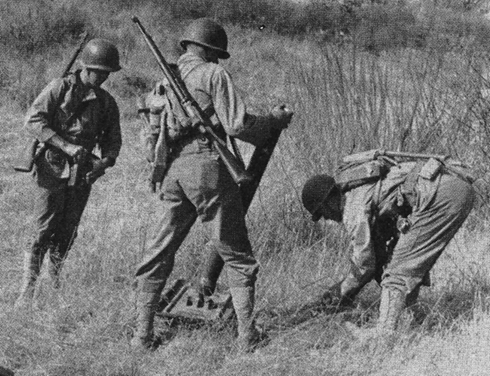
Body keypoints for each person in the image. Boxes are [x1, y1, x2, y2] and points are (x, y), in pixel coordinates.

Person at [132, 18, 293, 351]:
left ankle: (142, 335)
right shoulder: (213, 74)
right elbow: (237, 126)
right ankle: (247, 336)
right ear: (207, 49)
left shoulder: (167, 79)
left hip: (174, 172)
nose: (218, 60)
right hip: (206, 169)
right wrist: (272, 122)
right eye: (217, 54)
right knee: (237, 254)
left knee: (159, 251)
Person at [301, 153, 475, 334]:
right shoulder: (364, 189)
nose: (327, 219)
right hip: (453, 186)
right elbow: (378, 258)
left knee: (397, 272)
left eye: (322, 213)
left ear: (328, 202)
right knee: (399, 259)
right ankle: (411, 317)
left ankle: (383, 335)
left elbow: (364, 264)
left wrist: (341, 291)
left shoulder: (353, 207)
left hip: (441, 195)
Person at [15, 38, 122, 308]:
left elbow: (113, 141)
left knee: (68, 229)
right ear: (85, 67)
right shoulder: (59, 88)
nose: (104, 77)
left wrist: (104, 163)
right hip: (52, 164)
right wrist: (65, 145)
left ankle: (55, 281)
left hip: (83, 170)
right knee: (44, 227)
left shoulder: (107, 102)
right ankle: (28, 288)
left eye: (108, 73)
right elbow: (33, 120)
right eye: (100, 71)